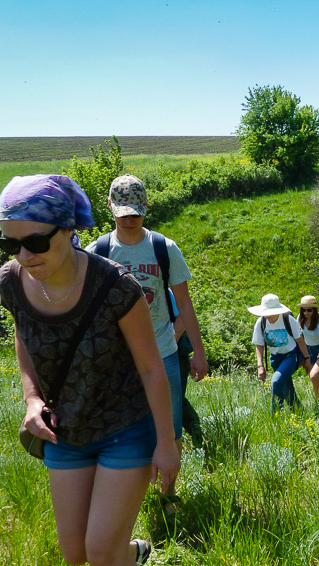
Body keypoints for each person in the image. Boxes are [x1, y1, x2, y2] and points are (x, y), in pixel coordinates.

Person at [0, 174, 179, 566]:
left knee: (100, 553)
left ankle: (115, 556)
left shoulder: (116, 286)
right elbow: (24, 338)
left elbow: (152, 368)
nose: (23, 255)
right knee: (76, 552)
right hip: (67, 429)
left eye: (37, 242)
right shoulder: (10, 280)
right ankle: (127, 552)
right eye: (9, 244)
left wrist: (166, 444)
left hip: (126, 426)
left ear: (69, 230)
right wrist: (32, 398)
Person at [86, 174, 207, 503]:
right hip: (117, 362)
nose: (129, 219)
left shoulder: (163, 248)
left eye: (135, 212)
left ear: (146, 207)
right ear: (109, 206)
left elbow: (184, 304)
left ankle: (168, 495)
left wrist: (198, 351)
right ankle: (128, 498)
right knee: (122, 433)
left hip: (165, 355)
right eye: (122, 212)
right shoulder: (96, 252)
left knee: (170, 431)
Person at [250, 293, 312, 412]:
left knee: (276, 382)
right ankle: (299, 412)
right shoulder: (261, 322)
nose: (267, 316)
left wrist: (307, 359)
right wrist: (260, 366)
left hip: (291, 356)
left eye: (269, 313)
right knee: (287, 387)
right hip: (275, 359)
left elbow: (300, 340)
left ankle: (276, 415)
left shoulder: (288, 319)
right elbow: (259, 345)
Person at [169, 289, 202, 448]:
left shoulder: (166, 292)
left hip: (175, 353)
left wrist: (169, 342)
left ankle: (197, 434)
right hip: (155, 353)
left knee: (176, 399)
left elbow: (182, 318)